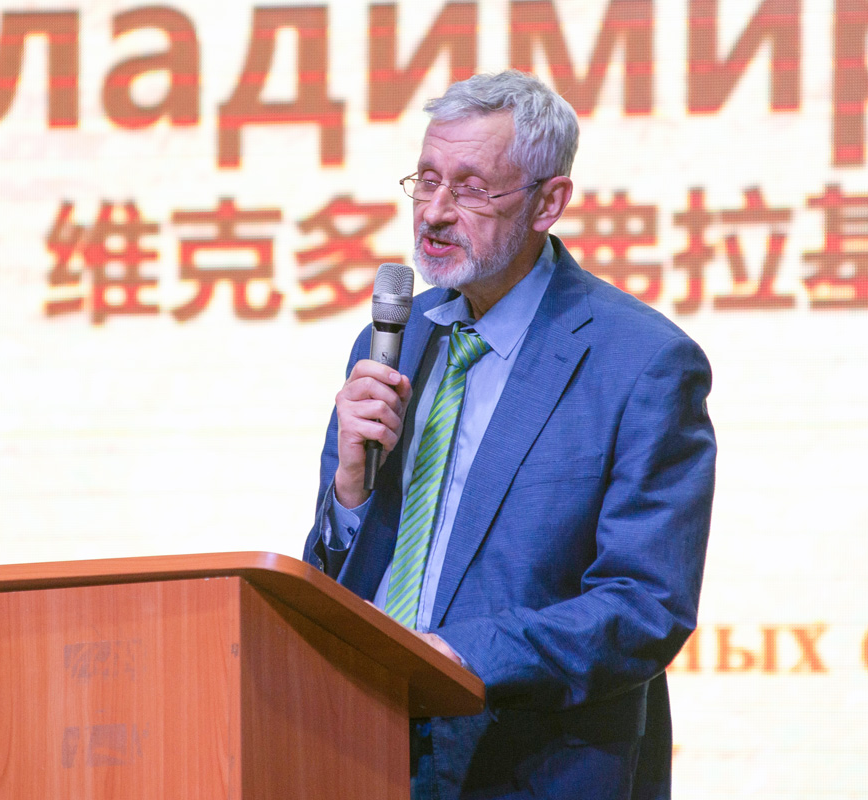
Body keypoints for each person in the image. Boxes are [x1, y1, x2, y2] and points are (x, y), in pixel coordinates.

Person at [302, 70, 716, 800]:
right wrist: (349, 492)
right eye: (425, 180)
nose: (433, 211)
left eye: (469, 188)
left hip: (530, 766)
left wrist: (452, 657)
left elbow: (645, 606)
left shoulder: (641, 364)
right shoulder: (396, 338)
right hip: (364, 750)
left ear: (547, 202)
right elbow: (342, 576)